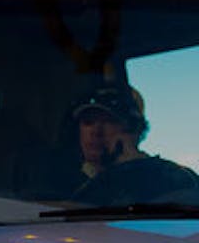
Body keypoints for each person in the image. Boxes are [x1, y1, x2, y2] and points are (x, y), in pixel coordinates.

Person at [69, 84, 199, 206]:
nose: (95, 132)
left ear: (134, 130)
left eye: (109, 122)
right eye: (88, 122)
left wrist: (131, 166)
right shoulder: (62, 182)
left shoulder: (172, 178)